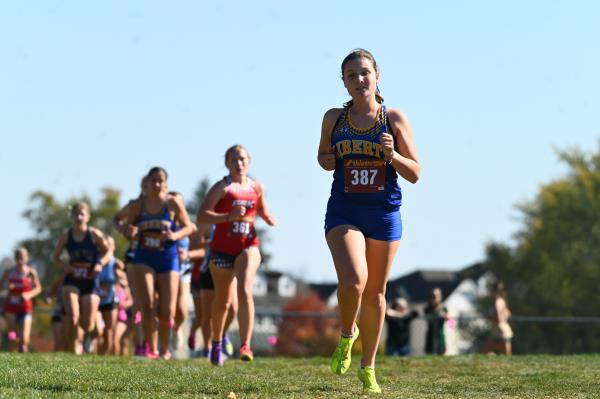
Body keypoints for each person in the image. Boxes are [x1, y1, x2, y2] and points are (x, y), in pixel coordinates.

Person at [317, 49, 419, 394]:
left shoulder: (394, 119)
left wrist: (393, 155)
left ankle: (368, 368)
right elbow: (323, 157)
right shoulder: (334, 118)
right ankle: (348, 334)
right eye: (351, 76)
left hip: (384, 212)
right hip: (345, 209)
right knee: (354, 280)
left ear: (377, 76)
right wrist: (330, 159)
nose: (359, 80)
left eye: (364, 73)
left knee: (376, 292)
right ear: (343, 83)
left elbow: (416, 173)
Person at [198, 144, 276, 366]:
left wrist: (268, 217)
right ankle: (216, 342)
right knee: (223, 302)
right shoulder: (222, 188)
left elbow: (260, 208)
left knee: (244, 289)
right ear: (227, 164)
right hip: (221, 250)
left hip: (248, 246)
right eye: (233, 160)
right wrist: (227, 217)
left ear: (249, 161)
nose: (238, 163)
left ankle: (245, 344)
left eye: (242, 159)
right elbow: (202, 216)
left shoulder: (256, 187)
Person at [116, 167, 195, 359]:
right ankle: (151, 349)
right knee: (148, 305)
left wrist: (175, 235)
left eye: (161, 181)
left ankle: (165, 348)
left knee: (167, 309)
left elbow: (189, 227)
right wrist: (126, 229)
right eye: (153, 181)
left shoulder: (172, 203)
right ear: (147, 183)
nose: (157, 184)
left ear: (166, 184)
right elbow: (117, 219)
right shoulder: (137, 205)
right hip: (145, 257)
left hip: (168, 258)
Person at [52, 202, 113, 353]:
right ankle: (73, 349)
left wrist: (100, 264)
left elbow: (108, 251)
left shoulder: (94, 234)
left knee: (87, 324)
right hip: (72, 279)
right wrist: (66, 266)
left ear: (88, 216)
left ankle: (89, 336)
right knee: (73, 317)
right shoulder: (67, 235)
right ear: (72, 216)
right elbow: (56, 257)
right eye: (76, 214)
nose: (79, 217)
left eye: (82, 214)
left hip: (90, 280)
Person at [0, 247, 42, 352]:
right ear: (15, 258)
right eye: (18, 258)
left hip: (25, 307)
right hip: (11, 307)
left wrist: (28, 294)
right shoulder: (8, 272)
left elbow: (38, 288)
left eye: (22, 258)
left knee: (24, 339)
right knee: (12, 336)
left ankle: (22, 350)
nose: (20, 260)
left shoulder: (31, 272)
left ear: (26, 258)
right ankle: (12, 350)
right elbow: (1, 286)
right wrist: (7, 287)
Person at [97, 236, 124, 355]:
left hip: (110, 300)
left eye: (110, 244)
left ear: (113, 247)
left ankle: (104, 357)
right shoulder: (96, 260)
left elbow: (125, 280)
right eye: (105, 243)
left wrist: (120, 276)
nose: (107, 246)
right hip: (96, 300)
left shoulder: (116, 263)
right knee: (98, 330)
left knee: (109, 331)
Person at [485, 281, 513, 355]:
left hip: (500, 332)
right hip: (501, 330)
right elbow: (508, 313)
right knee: (503, 356)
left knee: (488, 352)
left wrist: (488, 318)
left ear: (494, 291)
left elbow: (498, 318)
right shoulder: (502, 301)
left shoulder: (497, 302)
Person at [424, 287, 448, 355]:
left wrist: (447, 318)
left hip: (440, 337)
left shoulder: (444, 308)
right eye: (432, 296)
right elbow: (429, 321)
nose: (434, 298)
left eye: (435, 296)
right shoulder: (427, 309)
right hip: (430, 337)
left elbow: (451, 325)